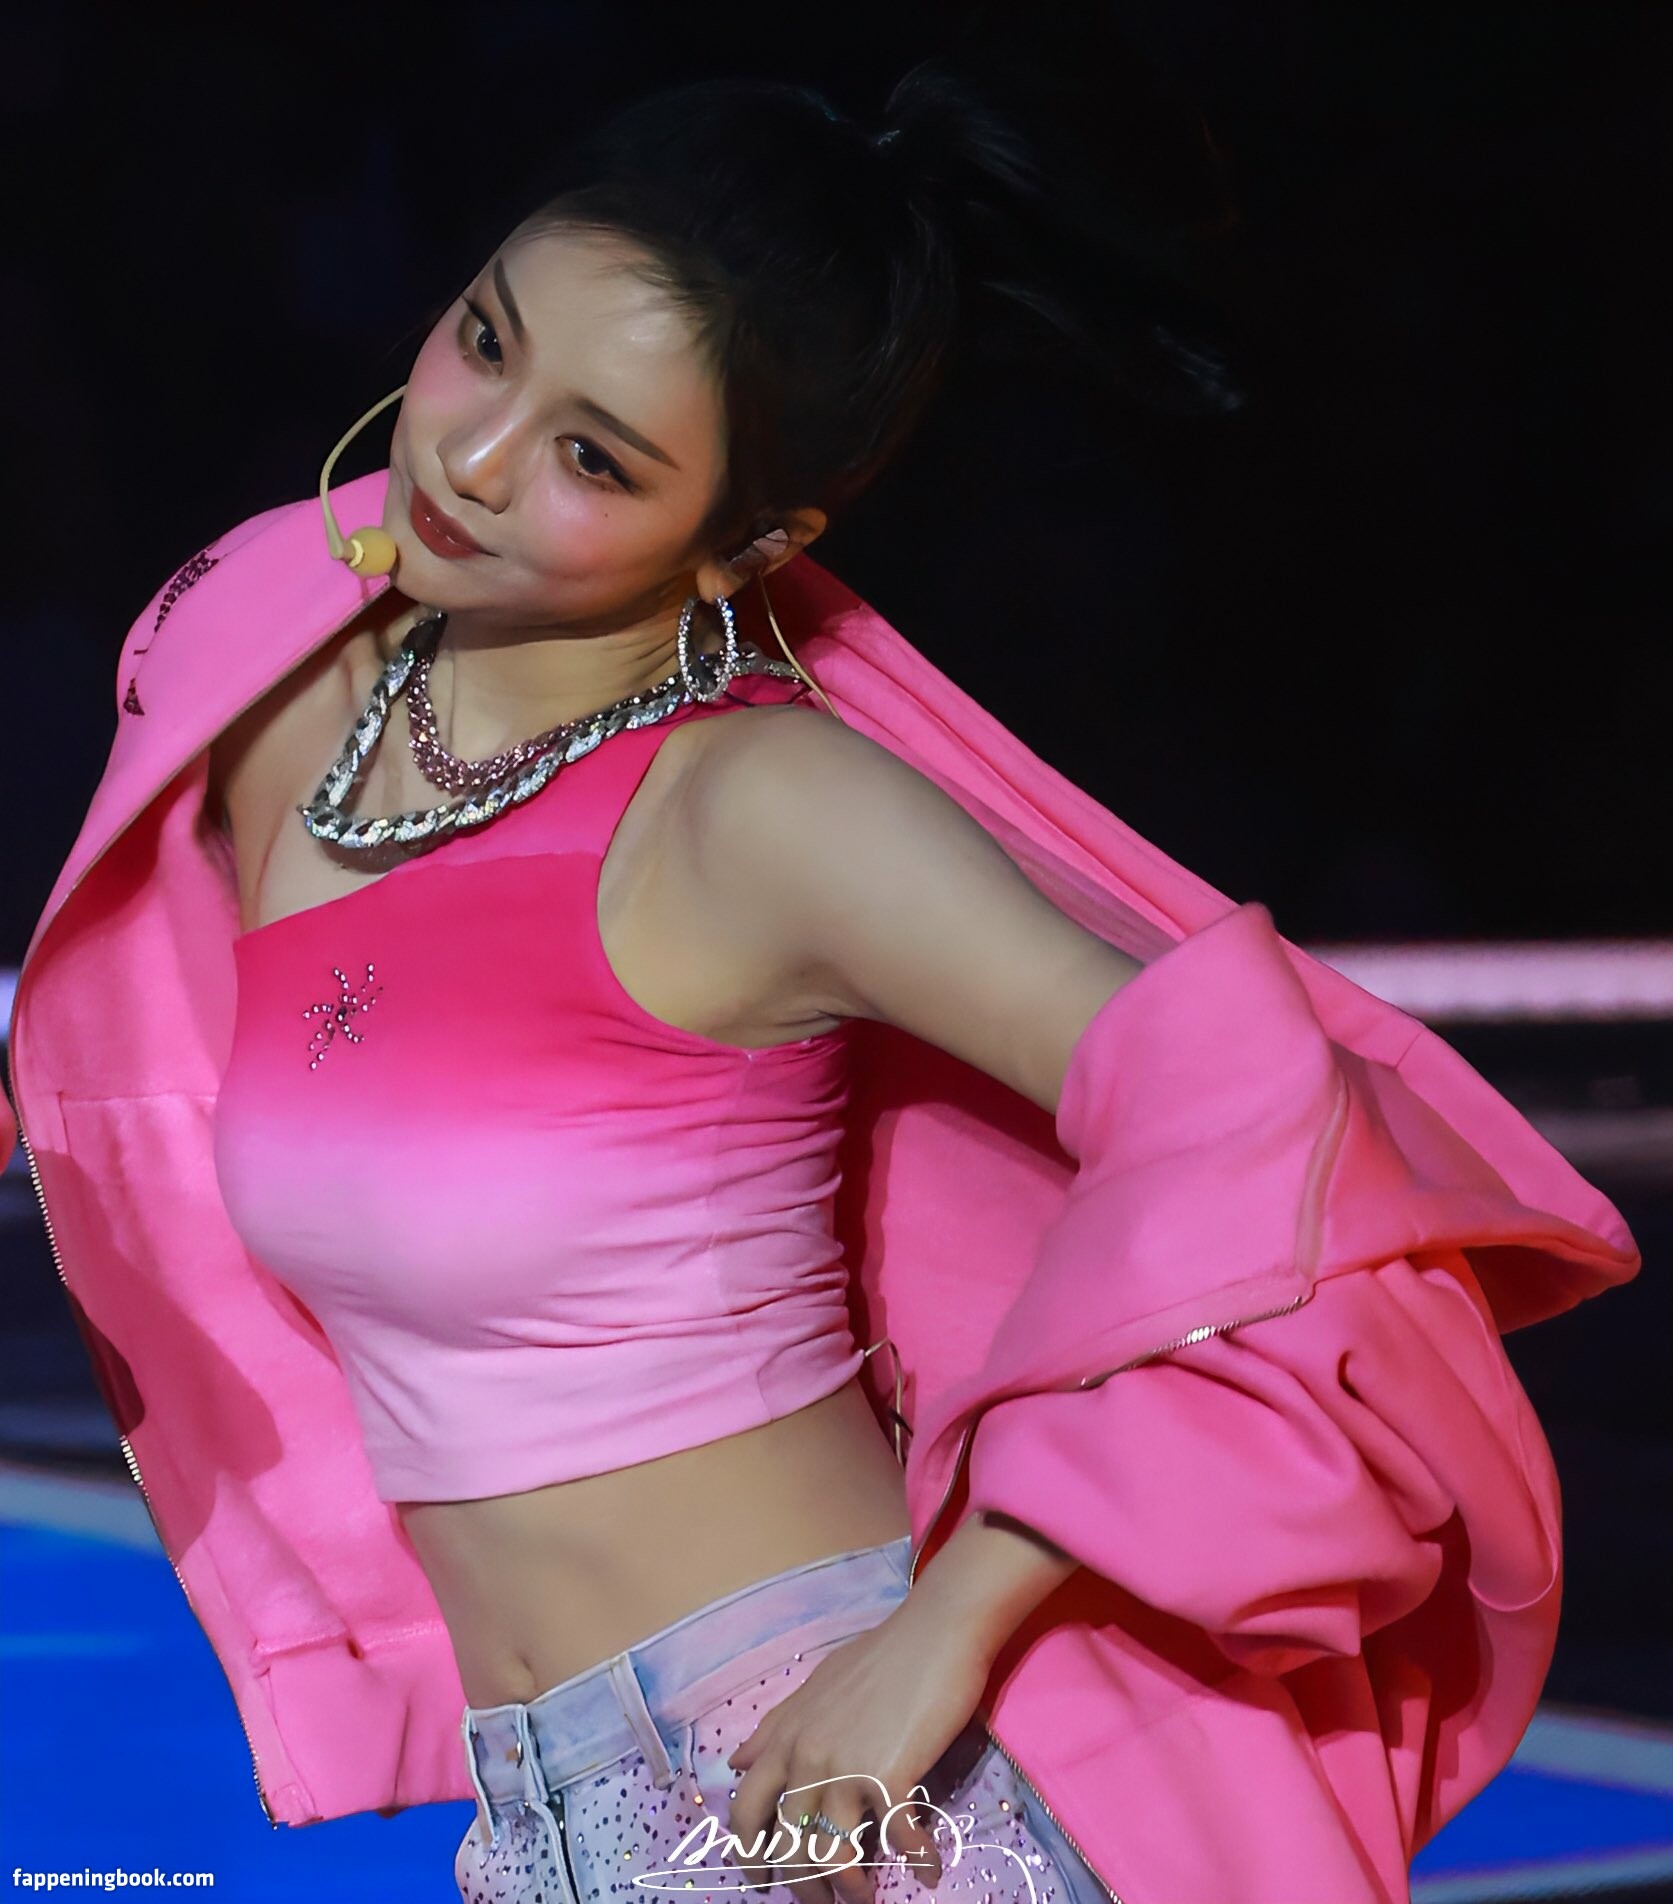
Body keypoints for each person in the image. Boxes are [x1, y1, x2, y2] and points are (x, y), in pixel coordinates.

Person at [1, 56, 1639, 1904]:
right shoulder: (267, 673)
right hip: (540, 1816)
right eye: (486, 340)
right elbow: (153, 1048)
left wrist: (946, 1629)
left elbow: (1271, 1128)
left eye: (595, 455)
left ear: (747, 550)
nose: (470, 457)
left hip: (858, 1788)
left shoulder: (759, 810)